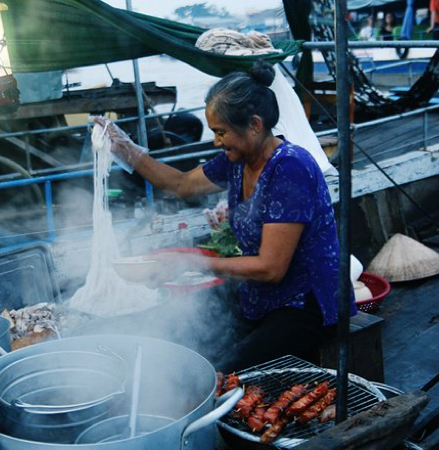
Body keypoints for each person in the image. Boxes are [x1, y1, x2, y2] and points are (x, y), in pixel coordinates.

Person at [94, 60, 356, 372]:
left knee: (220, 370)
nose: (217, 142)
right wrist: (125, 148)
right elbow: (180, 184)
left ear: (255, 125)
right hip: (261, 295)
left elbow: (271, 268)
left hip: (307, 306)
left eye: (222, 133)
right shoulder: (237, 159)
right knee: (179, 332)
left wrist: (190, 263)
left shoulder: (290, 168)